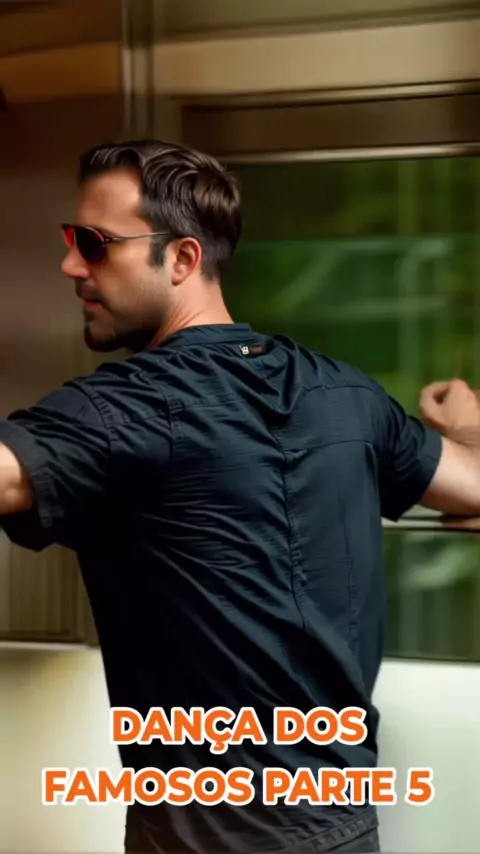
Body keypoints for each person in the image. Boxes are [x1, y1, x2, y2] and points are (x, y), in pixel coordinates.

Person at [0, 139, 479, 854]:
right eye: (73, 239)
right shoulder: (346, 395)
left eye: (94, 244)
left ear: (183, 258)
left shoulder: (124, 410)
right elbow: (474, 482)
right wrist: (466, 424)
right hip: (344, 832)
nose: (72, 265)